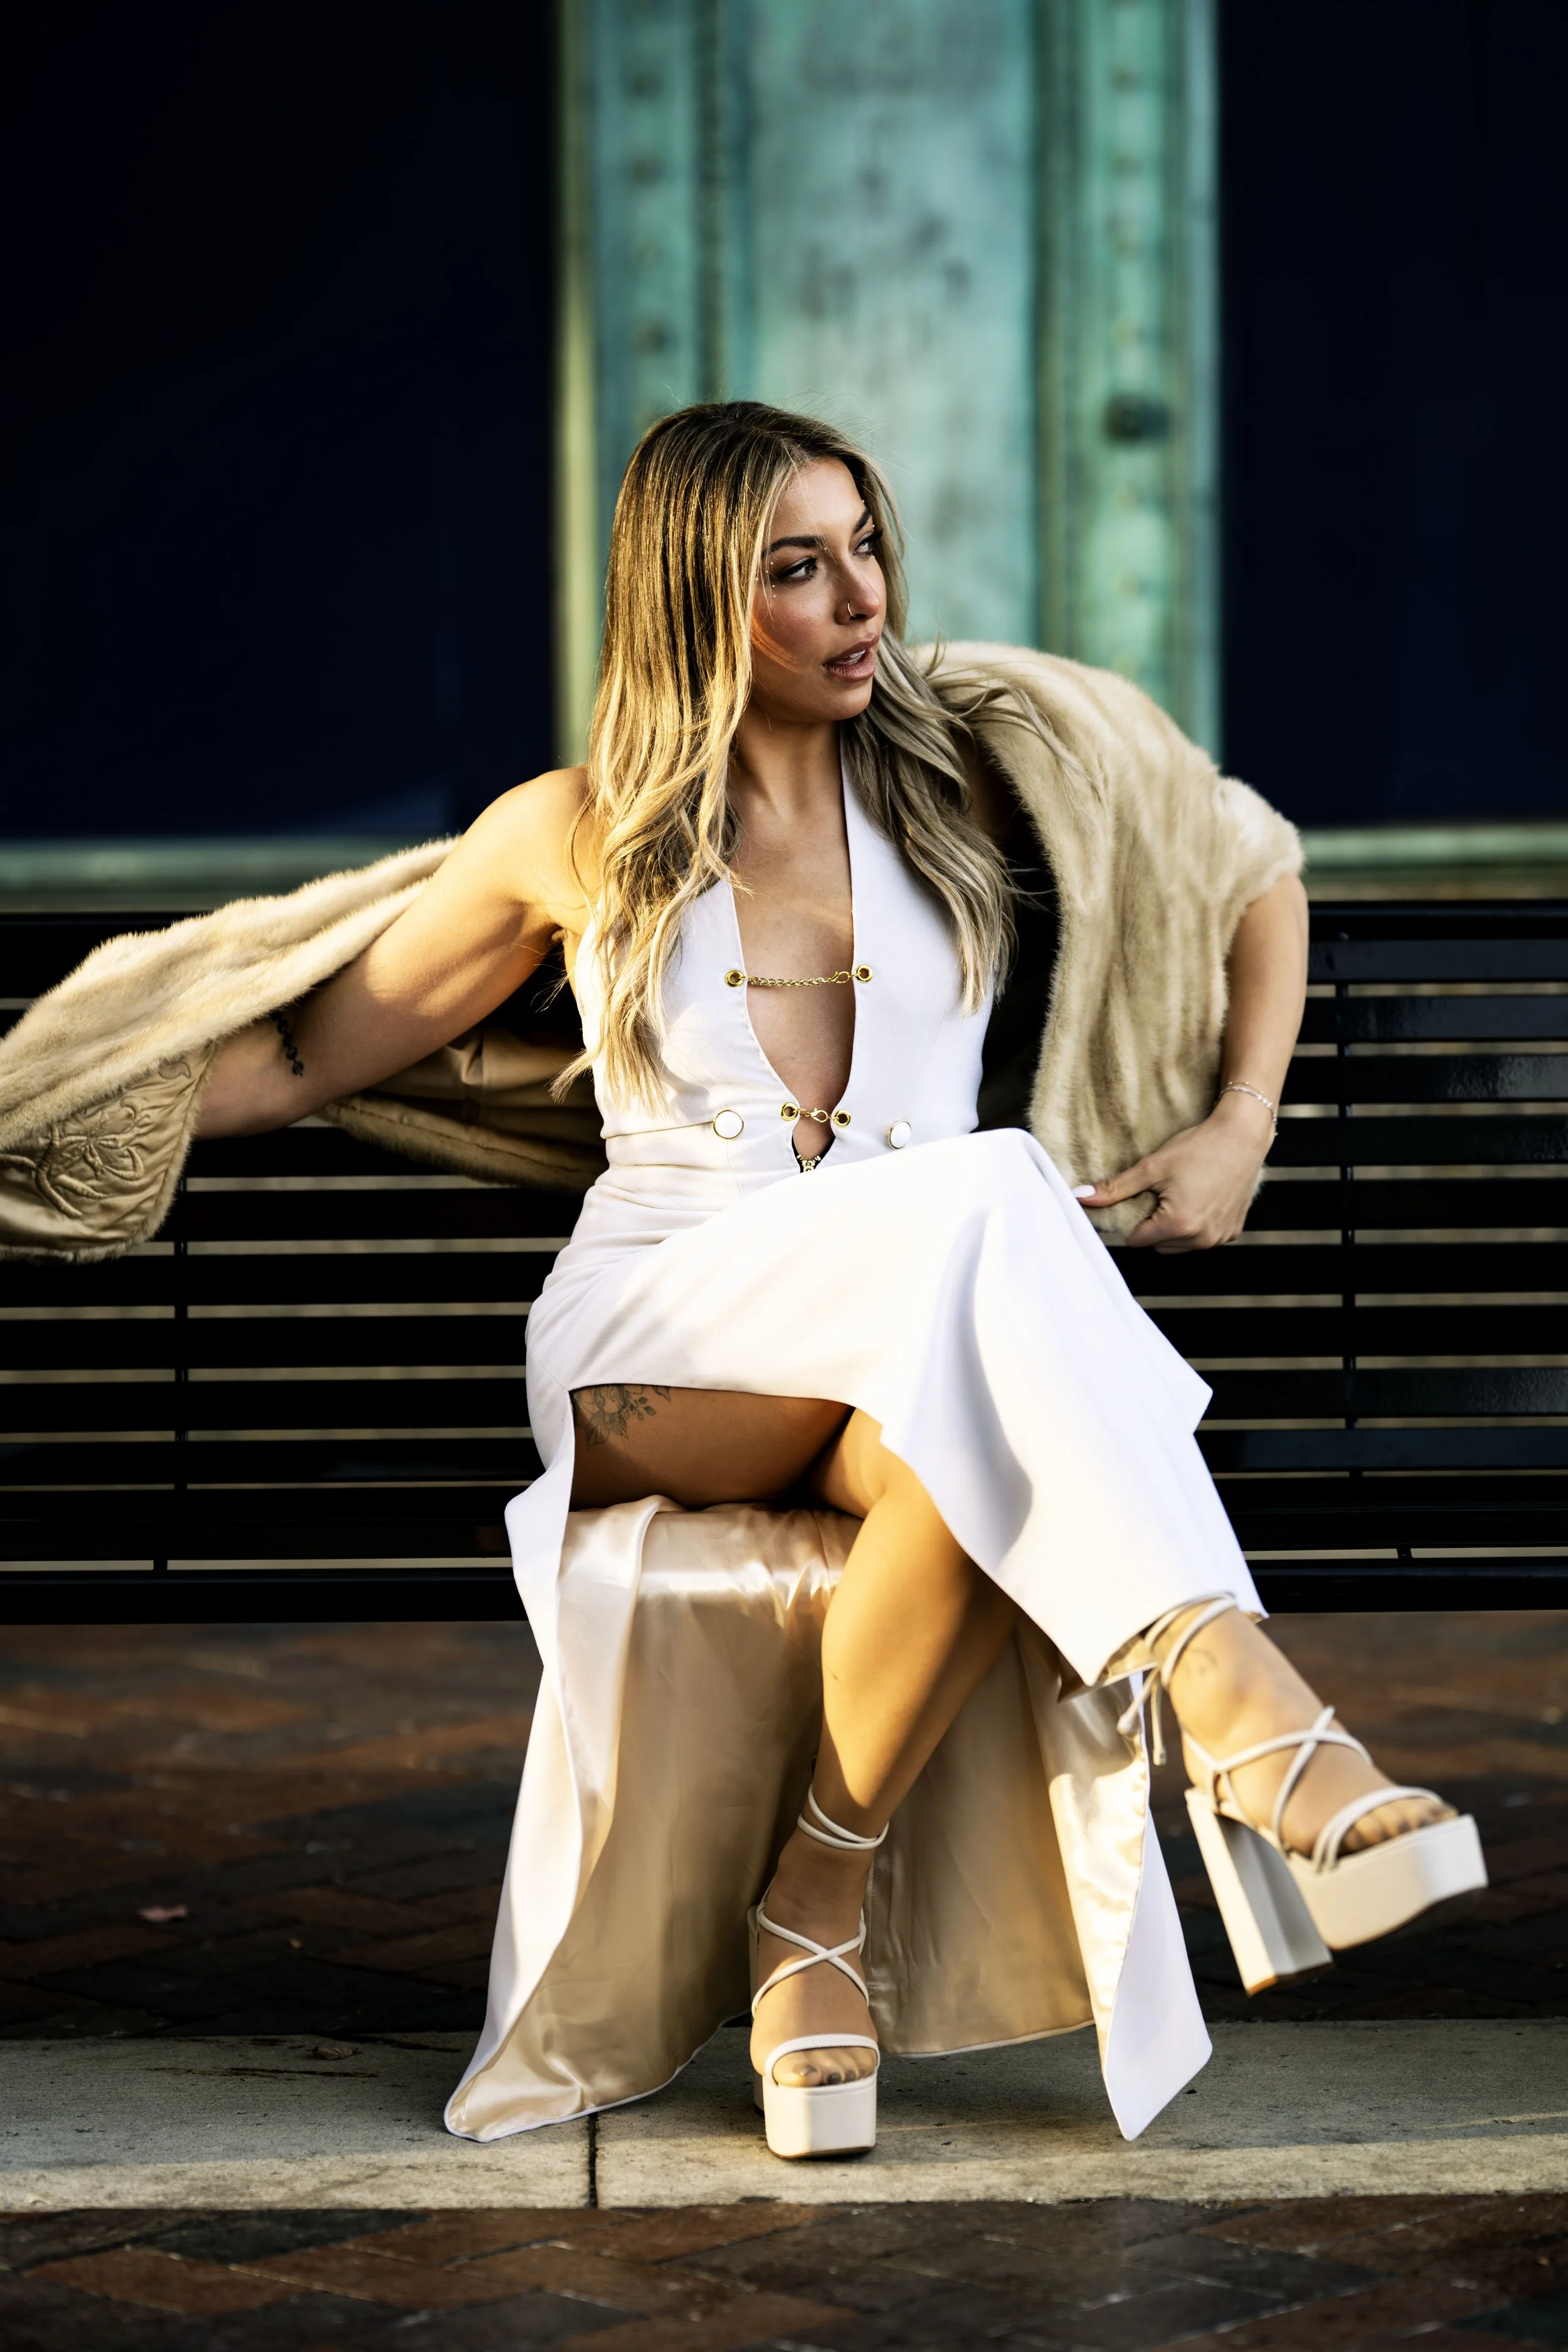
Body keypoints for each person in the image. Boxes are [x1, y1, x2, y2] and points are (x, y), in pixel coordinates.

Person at [193, 403, 1488, 2157]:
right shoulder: (574, 828)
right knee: (992, 1198)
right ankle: (1250, 1719)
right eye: (796, 569)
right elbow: (295, 1054)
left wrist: (1241, 1124)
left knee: (981, 1415)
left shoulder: (966, 767)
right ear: (693, 604)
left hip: (911, 1339)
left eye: (863, 545)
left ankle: (814, 1909)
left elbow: (1240, 848)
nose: (858, 596)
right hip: (662, 1347)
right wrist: (71, 1107)